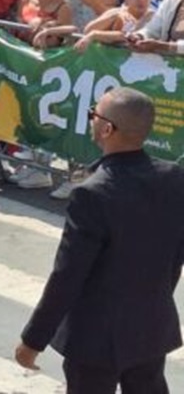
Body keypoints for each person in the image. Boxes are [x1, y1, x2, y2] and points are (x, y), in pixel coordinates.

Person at [15, 87, 184, 393]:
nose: (91, 119)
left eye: (93, 114)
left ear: (107, 129)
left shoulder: (92, 194)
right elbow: (175, 257)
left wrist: (33, 340)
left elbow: (68, 275)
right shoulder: (174, 178)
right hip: (150, 328)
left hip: (94, 338)